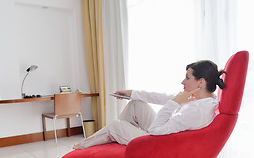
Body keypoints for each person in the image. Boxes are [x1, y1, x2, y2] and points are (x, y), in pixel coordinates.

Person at [73, 60, 226, 150]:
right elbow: (162, 97)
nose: (182, 82)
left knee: (116, 125)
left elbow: (155, 130)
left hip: (162, 145)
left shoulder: (196, 109)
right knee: (136, 105)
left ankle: (83, 146)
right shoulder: (202, 98)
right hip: (167, 136)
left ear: (201, 82)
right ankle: (115, 140)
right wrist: (131, 93)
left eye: (187, 78)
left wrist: (174, 102)